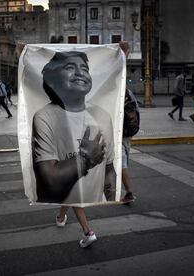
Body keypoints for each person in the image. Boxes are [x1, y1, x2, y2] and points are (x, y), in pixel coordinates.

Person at [32, 51, 116, 248]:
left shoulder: (101, 115)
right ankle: (62, 217)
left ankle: (88, 231)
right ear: (53, 78)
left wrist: (120, 56)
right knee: (70, 191)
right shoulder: (45, 116)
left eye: (85, 69)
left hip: (78, 186)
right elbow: (51, 180)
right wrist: (85, 159)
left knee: (72, 193)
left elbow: (109, 167)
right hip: (68, 181)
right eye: (70, 67)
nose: (80, 73)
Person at [119, 41, 138, 204]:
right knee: (121, 161)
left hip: (121, 132)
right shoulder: (130, 94)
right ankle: (126, 191)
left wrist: (124, 54)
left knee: (121, 162)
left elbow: (120, 73)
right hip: (128, 132)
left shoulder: (122, 92)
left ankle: (129, 192)